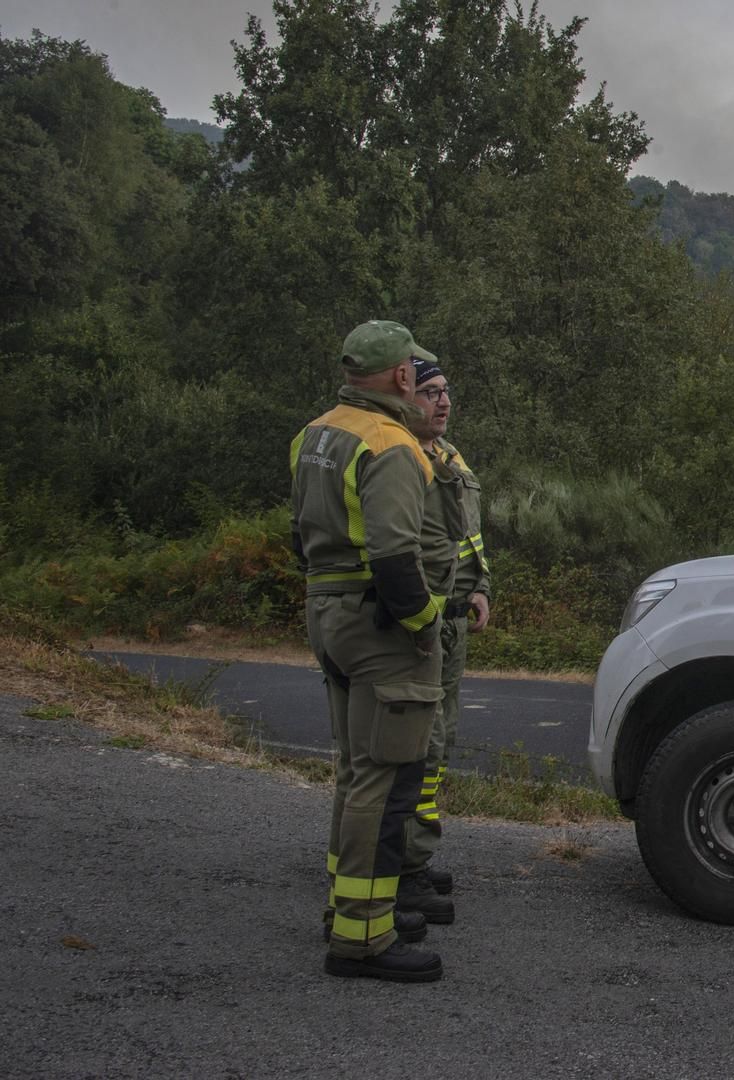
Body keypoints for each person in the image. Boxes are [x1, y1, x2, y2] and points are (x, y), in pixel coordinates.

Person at [292, 320, 447, 982]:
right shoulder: (392, 446)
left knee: (357, 772)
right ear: (402, 376)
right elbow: (393, 556)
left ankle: (351, 910)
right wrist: (425, 622)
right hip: (379, 627)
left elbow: (298, 535)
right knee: (384, 781)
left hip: (327, 610)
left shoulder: (315, 433)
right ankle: (362, 941)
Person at [398, 356, 493, 920]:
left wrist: (482, 588)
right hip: (422, 624)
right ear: (407, 398)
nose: (443, 402)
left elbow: (471, 538)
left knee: (440, 746)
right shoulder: (402, 458)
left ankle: (418, 853)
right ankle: (402, 864)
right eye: (430, 392)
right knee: (418, 745)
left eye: (447, 392)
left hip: (455, 622)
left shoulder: (451, 457)